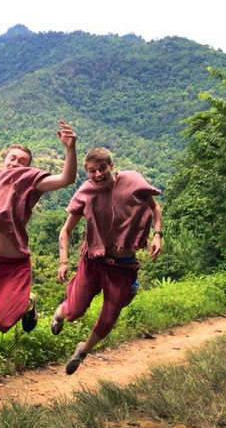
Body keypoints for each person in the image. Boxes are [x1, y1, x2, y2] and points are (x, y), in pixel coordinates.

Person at [51, 147, 162, 374]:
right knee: (75, 309)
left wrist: (157, 234)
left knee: (111, 313)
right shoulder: (86, 192)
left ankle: (83, 350)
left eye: (102, 168)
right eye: (92, 171)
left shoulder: (132, 181)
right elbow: (65, 231)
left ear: (111, 166)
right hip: (94, 261)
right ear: (87, 173)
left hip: (123, 265)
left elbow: (155, 207)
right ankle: (60, 313)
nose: (98, 174)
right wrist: (63, 262)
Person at [0, 121, 77, 333]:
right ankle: (9, 300)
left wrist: (70, 148)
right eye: (12, 158)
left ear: (28, 167)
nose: (15, 162)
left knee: (2, 322)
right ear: (4, 161)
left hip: (13, 264)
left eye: (22, 161)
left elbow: (66, 179)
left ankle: (28, 303)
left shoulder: (30, 182)